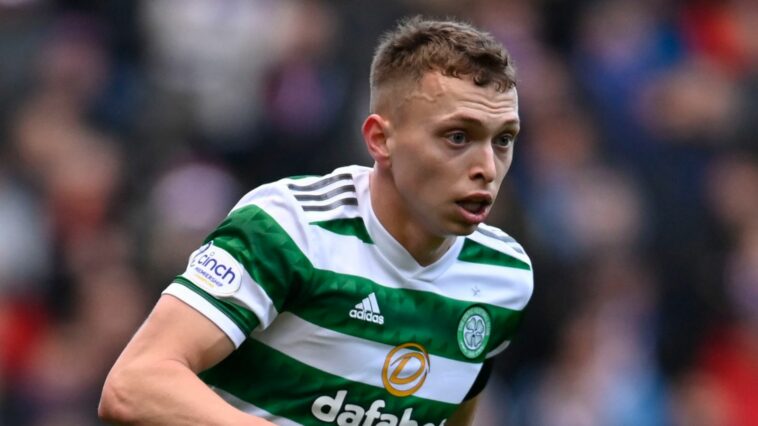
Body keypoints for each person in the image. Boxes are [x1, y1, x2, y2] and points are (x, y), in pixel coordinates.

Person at [99, 16, 533, 426]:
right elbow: (135, 383)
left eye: (504, 140)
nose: (487, 168)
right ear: (381, 140)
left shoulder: (504, 277)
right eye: (458, 137)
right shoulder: (289, 230)